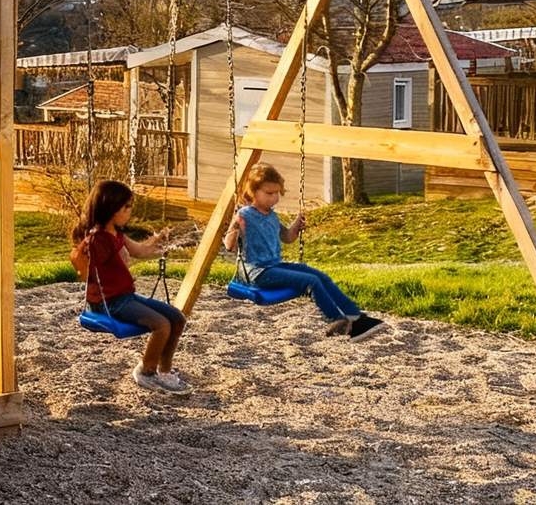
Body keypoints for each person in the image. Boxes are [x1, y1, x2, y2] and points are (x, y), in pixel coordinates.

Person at [223, 163, 383, 339]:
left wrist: (296, 226)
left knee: (318, 275)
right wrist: (236, 227)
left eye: (277, 193)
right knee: (311, 281)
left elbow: (287, 237)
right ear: (254, 192)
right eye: (269, 193)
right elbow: (229, 246)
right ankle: (338, 321)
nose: (274, 197)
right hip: (257, 272)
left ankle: (356, 317)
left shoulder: (271, 215)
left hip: (274, 267)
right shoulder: (245, 214)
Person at [68, 180, 191, 393]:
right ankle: (146, 372)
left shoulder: (117, 234)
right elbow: (78, 261)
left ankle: (164, 371)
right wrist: (84, 263)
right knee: (162, 325)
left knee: (177, 318)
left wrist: (161, 244)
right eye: (126, 207)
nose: (129, 211)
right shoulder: (98, 240)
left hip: (126, 296)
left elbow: (140, 251)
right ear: (111, 209)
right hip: (110, 303)